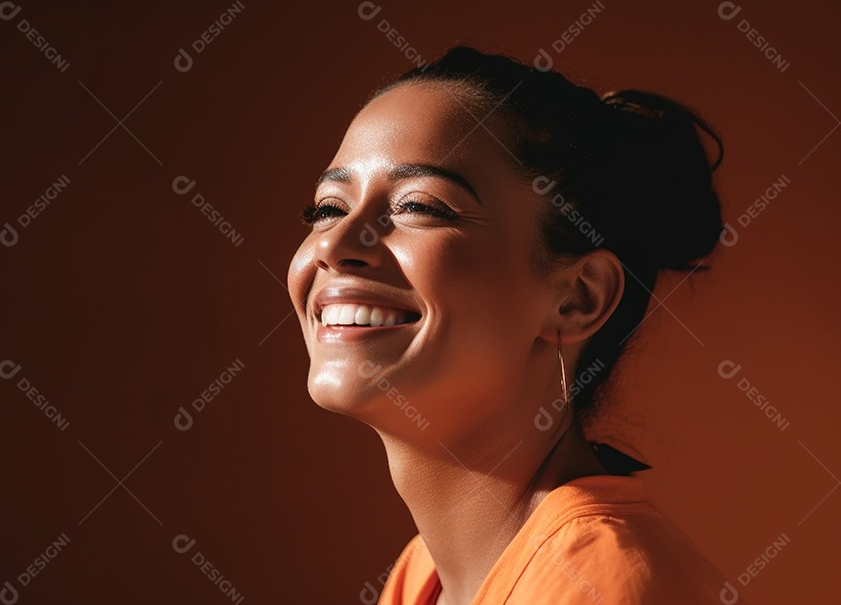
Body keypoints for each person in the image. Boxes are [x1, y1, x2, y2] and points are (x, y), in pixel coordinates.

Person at [286, 47, 735, 604]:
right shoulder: (422, 576)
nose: (333, 243)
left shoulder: (605, 588)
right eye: (327, 209)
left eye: (420, 206)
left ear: (577, 298)